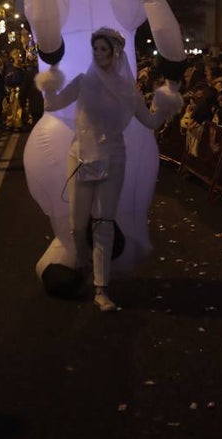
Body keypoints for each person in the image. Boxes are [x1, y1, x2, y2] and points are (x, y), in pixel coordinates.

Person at [38, 27, 182, 312]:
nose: (99, 53)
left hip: (113, 159)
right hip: (80, 157)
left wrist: (167, 99)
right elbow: (53, 103)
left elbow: (152, 123)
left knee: (104, 225)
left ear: (115, 53)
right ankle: (82, 264)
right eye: (96, 49)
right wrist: (50, 78)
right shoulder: (82, 82)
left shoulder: (129, 93)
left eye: (105, 49)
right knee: (78, 226)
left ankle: (101, 288)